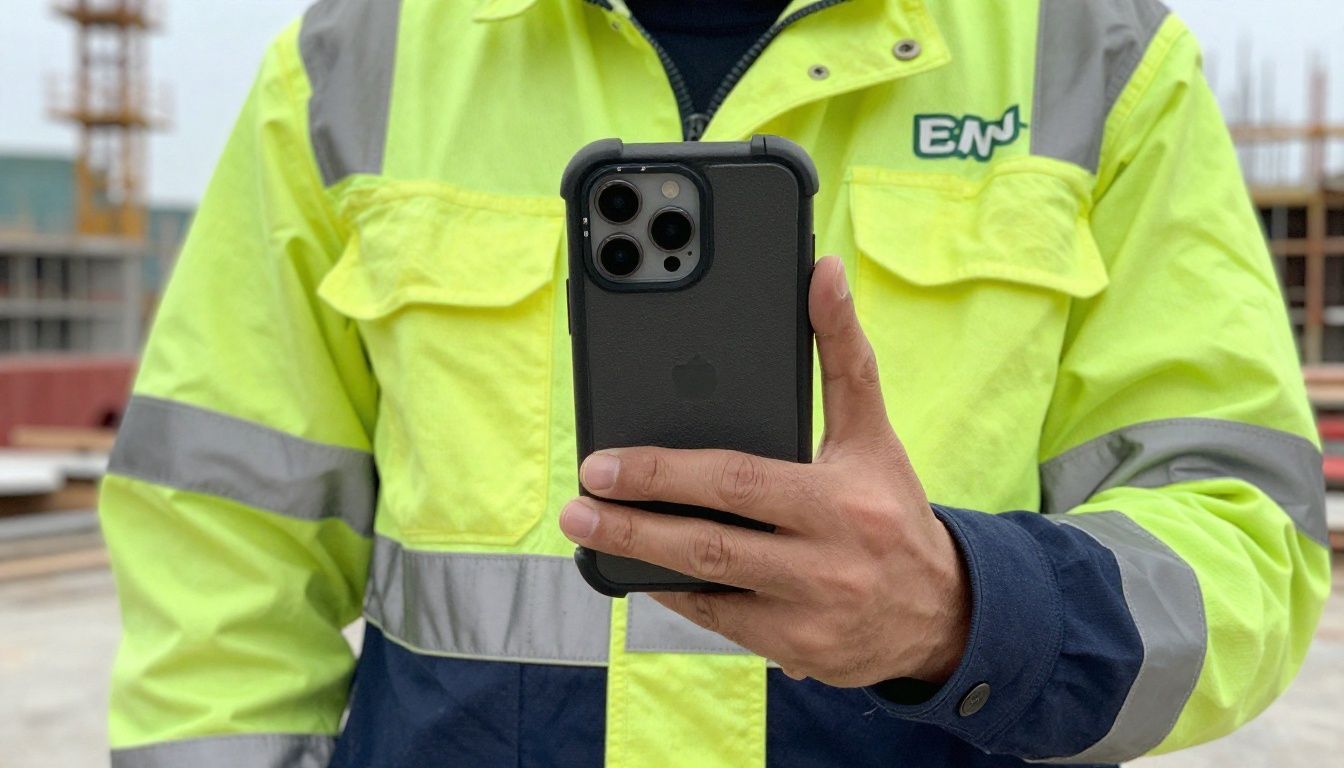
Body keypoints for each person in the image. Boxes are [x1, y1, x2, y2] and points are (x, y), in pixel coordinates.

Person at [100, 0, 1331, 766]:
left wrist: (971, 611)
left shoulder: (1095, 52)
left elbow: (1245, 539)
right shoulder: (354, 59)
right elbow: (218, 551)